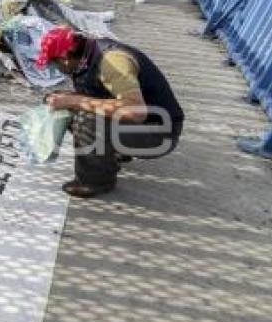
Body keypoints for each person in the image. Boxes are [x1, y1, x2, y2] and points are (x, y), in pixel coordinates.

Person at [37, 26, 184, 197]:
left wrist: (76, 101)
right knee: (63, 101)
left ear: (64, 58)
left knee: (86, 118)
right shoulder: (87, 56)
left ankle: (95, 181)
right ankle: (114, 152)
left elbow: (136, 111)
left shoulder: (112, 62)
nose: (54, 68)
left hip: (161, 132)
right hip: (141, 124)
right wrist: (67, 100)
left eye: (53, 63)